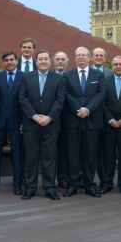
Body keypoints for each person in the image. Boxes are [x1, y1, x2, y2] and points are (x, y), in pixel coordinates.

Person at [19, 50, 66, 200]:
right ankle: (30, 187)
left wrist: (49, 117)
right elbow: (22, 98)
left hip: (51, 125)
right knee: (31, 158)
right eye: (40, 59)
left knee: (49, 158)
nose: (43, 61)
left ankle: (49, 188)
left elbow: (60, 100)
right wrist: (34, 116)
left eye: (46, 59)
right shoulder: (26, 77)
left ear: (50, 62)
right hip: (31, 124)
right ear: (36, 61)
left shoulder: (59, 79)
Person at [62, 46, 106, 198]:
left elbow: (101, 94)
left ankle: (89, 184)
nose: (80, 57)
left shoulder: (98, 75)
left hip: (92, 120)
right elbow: (65, 94)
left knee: (91, 154)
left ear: (89, 58)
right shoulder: (67, 75)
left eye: (83, 55)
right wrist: (78, 109)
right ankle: (73, 184)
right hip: (72, 120)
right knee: (72, 154)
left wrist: (88, 109)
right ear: (75, 58)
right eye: (78, 55)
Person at [0, 50, 24, 196]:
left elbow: (25, 101)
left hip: (17, 122)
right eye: (6, 60)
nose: (9, 62)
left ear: (16, 61)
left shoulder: (24, 77)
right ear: (3, 62)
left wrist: (24, 122)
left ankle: (17, 185)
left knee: (17, 155)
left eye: (12, 60)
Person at [101, 56, 121, 194]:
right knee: (107, 156)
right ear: (112, 66)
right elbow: (102, 103)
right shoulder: (104, 81)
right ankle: (106, 183)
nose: (118, 66)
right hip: (109, 125)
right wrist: (110, 119)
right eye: (116, 64)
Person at [53, 51, 70, 189]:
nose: (60, 61)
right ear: (53, 61)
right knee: (50, 151)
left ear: (67, 61)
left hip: (67, 120)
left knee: (64, 150)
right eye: (57, 59)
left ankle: (63, 178)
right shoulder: (48, 76)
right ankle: (49, 180)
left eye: (62, 59)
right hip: (50, 120)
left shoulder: (71, 77)